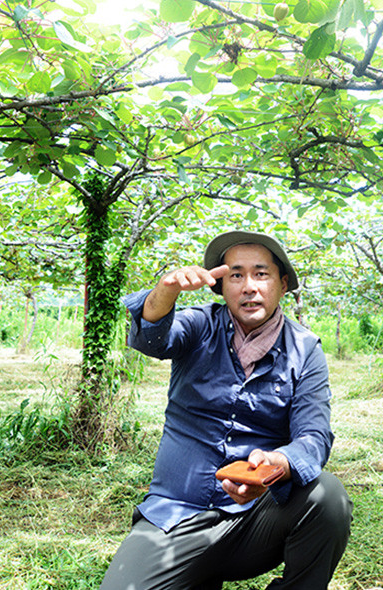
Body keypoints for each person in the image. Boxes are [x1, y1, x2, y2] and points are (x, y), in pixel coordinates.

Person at [99, 231, 353, 590]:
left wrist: (277, 465)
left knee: (327, 497)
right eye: (236, 275)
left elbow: (314, 435)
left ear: (282, 285)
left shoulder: (305, 349)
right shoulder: (199, 325)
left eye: (261, 274)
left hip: (255, 521)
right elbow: (153, 338)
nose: (249, 286)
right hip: (176, 515)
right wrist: (165, 292)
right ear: (220, 287)